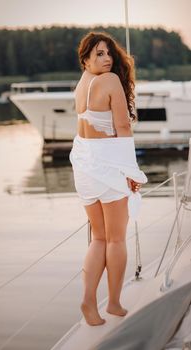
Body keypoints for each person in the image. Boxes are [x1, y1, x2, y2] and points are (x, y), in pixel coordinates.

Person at [69, 31, 148, 326]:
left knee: (99, 238)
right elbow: (123, 129)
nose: (106, 58)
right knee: (115, 239)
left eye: (108, 52)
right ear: (86, 58)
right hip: (107, 164)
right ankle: (113, 303)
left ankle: (89, 301)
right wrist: (131, 172)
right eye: (98, 53)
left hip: (84, 166)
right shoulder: (111, 81)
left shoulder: (82, 83)